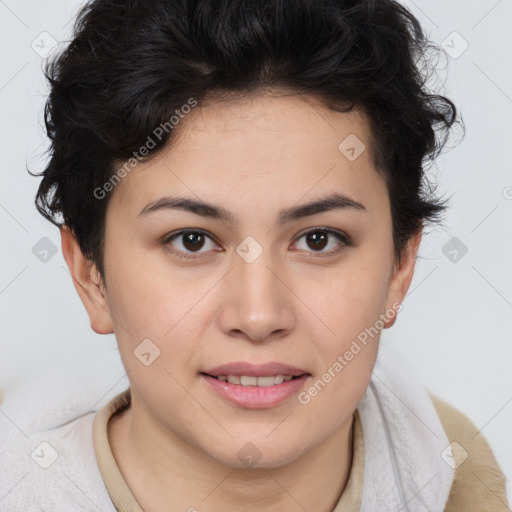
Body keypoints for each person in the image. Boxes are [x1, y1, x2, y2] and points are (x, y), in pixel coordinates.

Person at [0, 0, 508, 510]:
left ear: (400, 267)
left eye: (318, 239)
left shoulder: (467, 484)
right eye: (191, 240)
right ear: (91, 275)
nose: (259, 315)